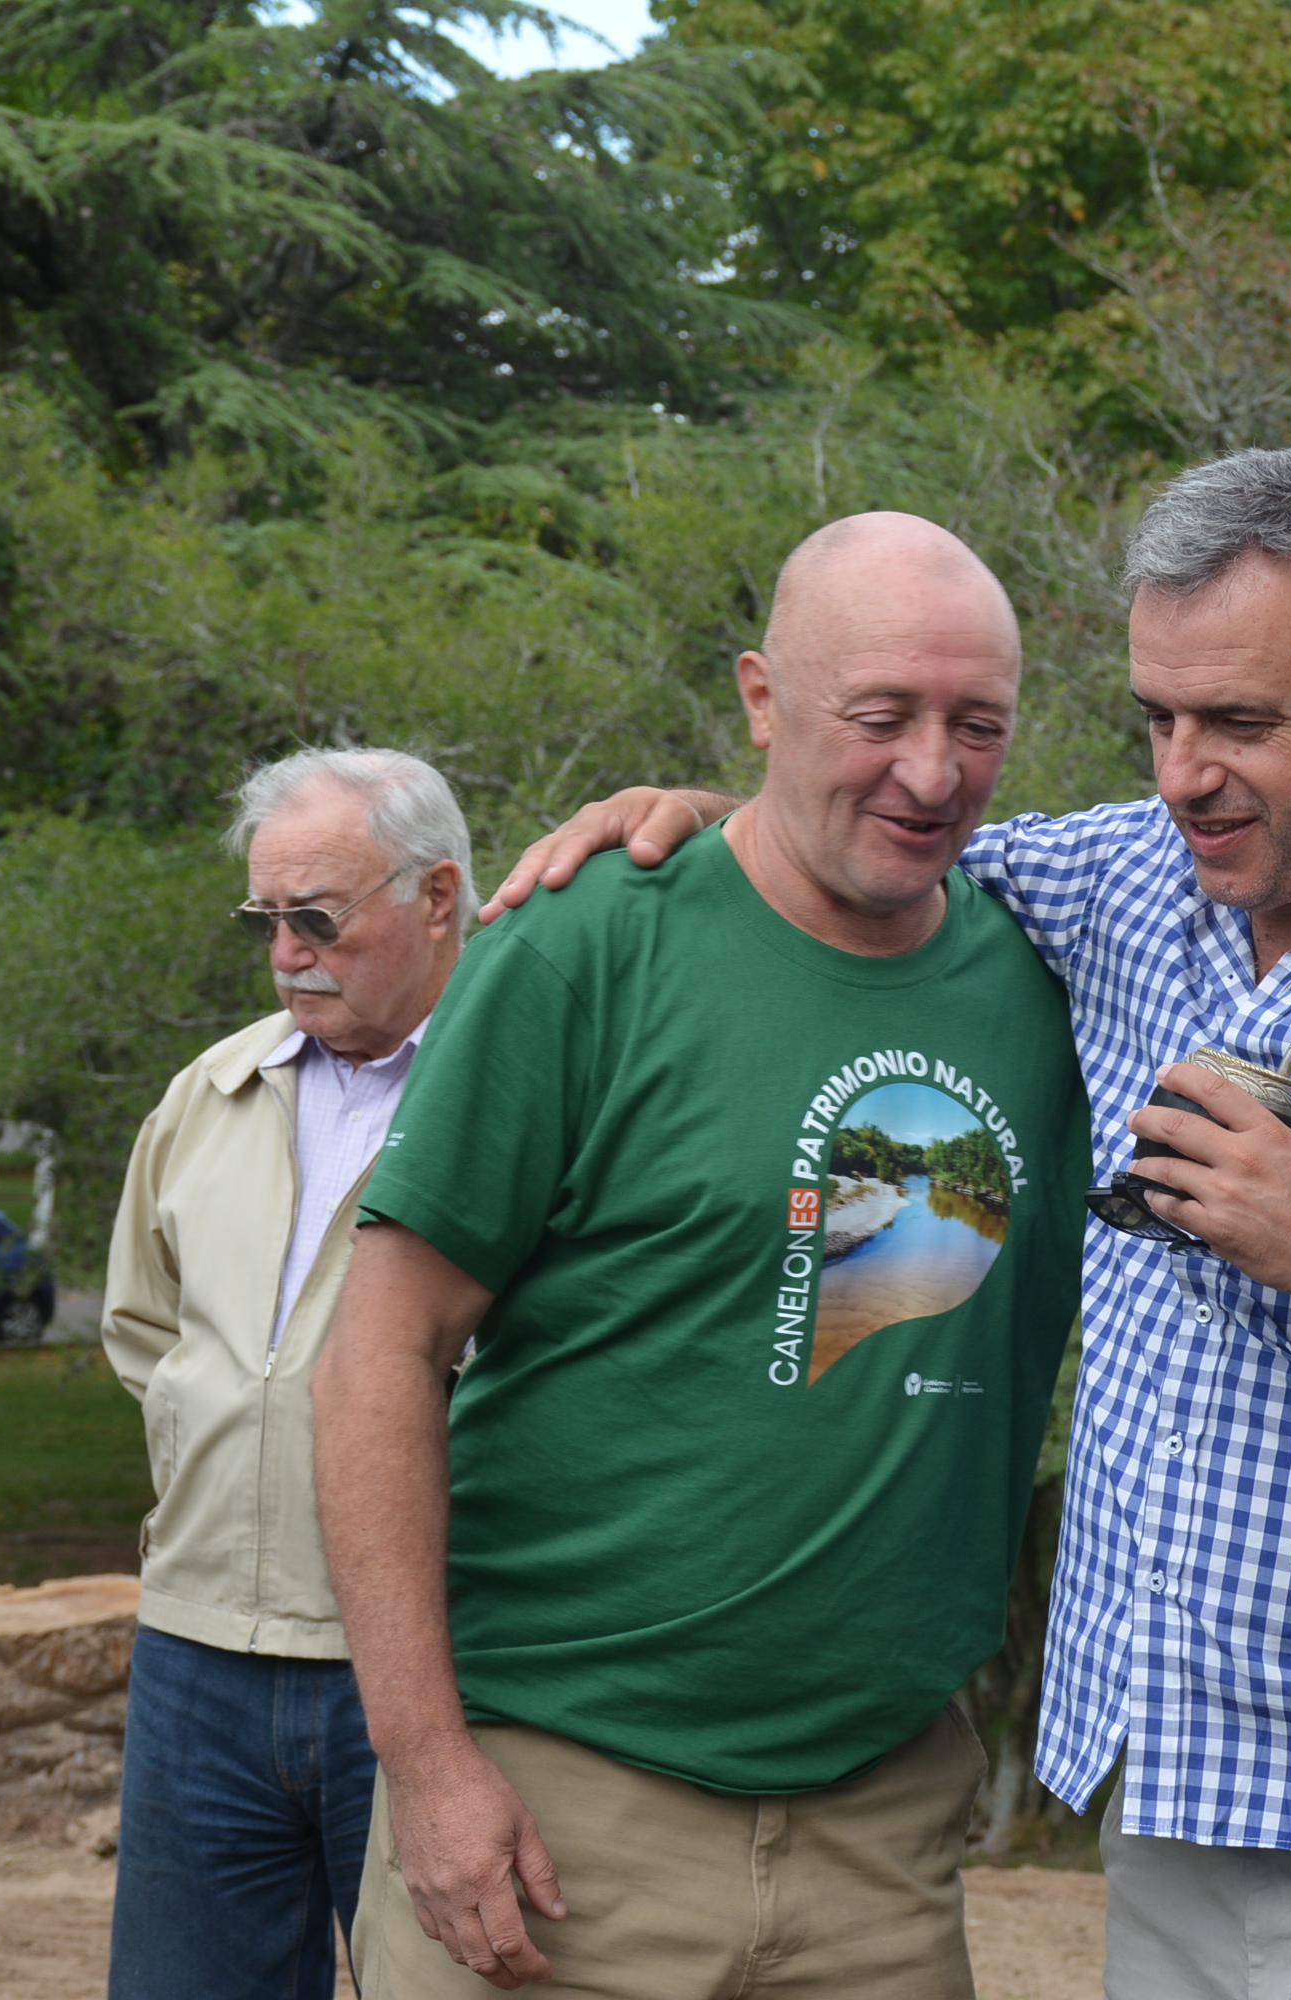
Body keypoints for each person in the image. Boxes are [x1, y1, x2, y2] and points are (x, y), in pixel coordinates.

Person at [491, 450, 1291, 1998]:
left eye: (1240, 723)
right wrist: (709, 812)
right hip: (1179, 1826)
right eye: (1157, 718)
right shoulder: (1122, 883)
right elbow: (870, 838)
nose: (1183, 773)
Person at [311, 511, 1090, 1996]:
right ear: (760, 699)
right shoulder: (585, 944)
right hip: (558, 1819)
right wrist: (427, 1766)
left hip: (886, 1834)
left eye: (976, 724)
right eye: (879, 717)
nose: (932, 771)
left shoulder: (1056, 974)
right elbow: (376, 1356)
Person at [100, 748, 475, 1998]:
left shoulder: (524, 1099)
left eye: (318, 917)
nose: (284, 952)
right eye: (266, 918)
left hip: (437, 1662)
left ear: (437, 896)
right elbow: (148, 1335)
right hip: (196, 1657)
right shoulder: (206, 1094)